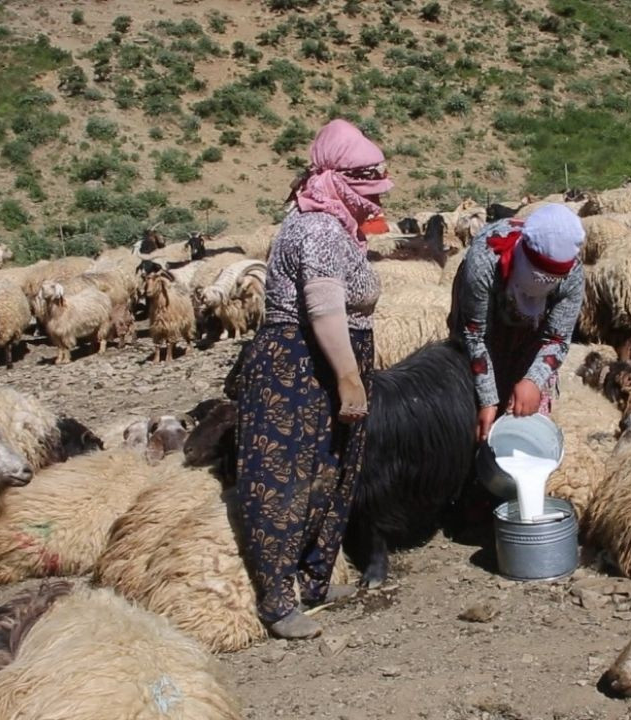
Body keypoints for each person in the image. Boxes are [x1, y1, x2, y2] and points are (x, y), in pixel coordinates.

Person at [234, 119, 390, 640]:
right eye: (366, 179)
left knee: (333, 470)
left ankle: (314, 579)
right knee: (284, 479)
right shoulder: (318, 228)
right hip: (300, 364)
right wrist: (348, 378)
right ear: (341, 177)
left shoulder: (336, 224)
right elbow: (323, 308)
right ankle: (277, 602)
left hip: (331, 357)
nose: (375, 191)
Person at [448, 204, 586, 441]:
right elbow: (474, 334)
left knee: (529, 401)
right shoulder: (484, 262)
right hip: (488, 313)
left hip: (534, 329)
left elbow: (556, 338)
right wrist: (488, 399)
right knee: (471, 397)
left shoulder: (572, 275)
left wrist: (533, 379)